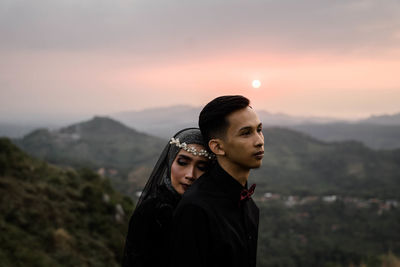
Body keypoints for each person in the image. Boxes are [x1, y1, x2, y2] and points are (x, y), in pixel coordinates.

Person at [170, 95, 264, 267]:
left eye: (259, 129)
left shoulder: (250, 207)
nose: (259, 141)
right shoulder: (196, 208)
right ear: (218, 147)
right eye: (246, 133)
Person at [122, 128, 213, 267]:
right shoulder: (152, 213)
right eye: (183, 162)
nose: (190, 174)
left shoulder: (212, 212)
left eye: (202, 167)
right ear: (170, 161)